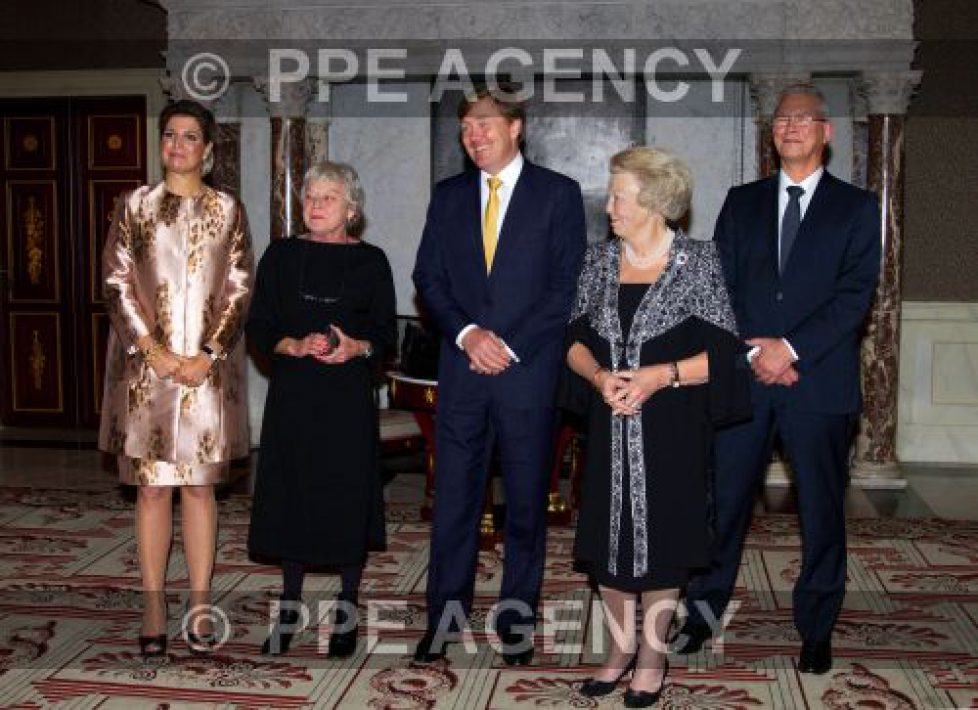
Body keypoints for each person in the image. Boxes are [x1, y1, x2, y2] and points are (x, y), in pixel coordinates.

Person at [677, 83, 881, 675]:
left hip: (819, 385)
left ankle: (816, 628)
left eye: (803, 118)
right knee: (722, 504)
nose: (790, 127)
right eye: (781, 119)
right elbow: (717, 288)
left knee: (821, 512)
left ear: (826, 132)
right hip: (744, 380)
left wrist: (789, 350)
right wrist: (753, 354)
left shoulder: (857, 207)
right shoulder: (742, 202)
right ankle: (701, 615)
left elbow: (854, 297)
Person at [563, 147, 750, 707]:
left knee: (664, 542)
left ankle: (651, 656)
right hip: (609, 423)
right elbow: (572, 342)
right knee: (608, 543)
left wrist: (658, 376)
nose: (609, 206)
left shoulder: (699, 261)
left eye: (619, 196)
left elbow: (725, 358)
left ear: (654, 202)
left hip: (672, 426)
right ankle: (619, 650)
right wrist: (600, 377)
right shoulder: (598, 261)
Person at [412, 85, 587, 665]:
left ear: (516, 128)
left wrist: (507, 345)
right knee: (454, 503)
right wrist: (468, 334)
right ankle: (444, 621)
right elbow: (428, 278)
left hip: (527, 376)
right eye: (466, 126)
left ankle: (517, 624)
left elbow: (567, 287)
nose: (474, 135)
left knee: (527, 507)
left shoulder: (557, 194)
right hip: (463, 371)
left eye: (485, 123)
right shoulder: (448, 196)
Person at [99, 99, 254, 658]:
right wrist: (151, 350)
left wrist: (208, 353)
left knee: (198, 487)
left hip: (207, 373)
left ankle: (200, 603)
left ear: (208, 150)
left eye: (190, 137)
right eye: (170, 135)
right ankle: (153, 605)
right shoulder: (134, 206)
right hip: (147, 373)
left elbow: (240, 287)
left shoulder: (229, 210)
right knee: (150, 488)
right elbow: (115, 282)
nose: (178, 145)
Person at [247, 162, 395, 657]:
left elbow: (386, 336)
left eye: (328, 197)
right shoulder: (281, 255)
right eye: (310, 196)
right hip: (294, 396)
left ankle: (347, 610)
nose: (315, 204)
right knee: (294, 497)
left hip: (347, 400)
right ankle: (289, 607)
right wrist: (290, 344)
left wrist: (357, 347)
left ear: (351, 209)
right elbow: (259, 325)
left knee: (345, 499)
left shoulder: (372, 261)